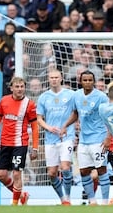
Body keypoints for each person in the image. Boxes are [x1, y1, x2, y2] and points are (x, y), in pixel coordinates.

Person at [60, 70, 110, 205]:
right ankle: (92, 201)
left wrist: (108, 137)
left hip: (98, 139)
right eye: (85, 80)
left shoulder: (101, 97)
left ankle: (105, 202)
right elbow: (76, 114)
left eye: (90, 80)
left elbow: (109, 118)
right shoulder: (76, 96)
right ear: (81, 81)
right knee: (84, 171)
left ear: (93, 81)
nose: (87, 82)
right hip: (83, 140)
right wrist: (65, 125)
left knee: (101, 170)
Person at [0, 77, 39, 205]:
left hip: (20, 144)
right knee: (0, 175)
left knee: (17, 174)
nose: (19, 89)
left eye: (22, 86)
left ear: (25, 87)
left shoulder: (29, 104)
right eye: (17, 87)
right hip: (5, 143)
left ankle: (14, 205)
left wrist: (35, 148)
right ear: (11, 88)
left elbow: (35, 127)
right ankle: (22, 195)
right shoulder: (4, 101)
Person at [36, 69, 75, 205]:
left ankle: (68, 198)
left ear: (61, 78)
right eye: (51, 77)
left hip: (67, 137)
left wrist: (67, 126)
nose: (54, 79)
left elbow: (76, 113)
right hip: (50, 139)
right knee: (52, 173)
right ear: (48, 79)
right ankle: (62, 198)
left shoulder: (70, 95)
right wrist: (49, 128)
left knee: (65, 167)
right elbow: (39, 118)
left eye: (56, 77)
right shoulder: (43, 97)